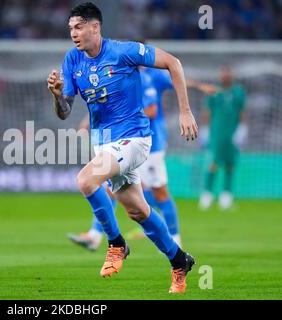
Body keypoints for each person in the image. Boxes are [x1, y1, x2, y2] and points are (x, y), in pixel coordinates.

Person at [47, 2, 198, 293]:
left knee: (86, 180)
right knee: (138, 211)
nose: (74, 34)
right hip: (103, 144)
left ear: (95, 27)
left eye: (79, 27)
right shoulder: (72, 60)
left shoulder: (123, 51)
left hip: (135, 139)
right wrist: (56, 95)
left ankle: (116, 244)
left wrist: (185, 110)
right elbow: (64, 111)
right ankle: (180, 260)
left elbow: (173, 63)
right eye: (70, 29)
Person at [68, 60, 217, 250]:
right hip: (125, 144)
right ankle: (95, 235)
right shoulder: (120, 79)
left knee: (159, 192)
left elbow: (154, 108)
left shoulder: (146, 78)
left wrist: (199, 86)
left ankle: (174, 240)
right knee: (112, 189)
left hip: (148, 144)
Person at [199, 66, 247, 210]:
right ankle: (206, 196)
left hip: (232, 133)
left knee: (230, 164)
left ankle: (226, 197)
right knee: (213, 163)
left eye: (228, 73)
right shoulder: (213, 91)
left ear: (232, 75)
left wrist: (243, 129)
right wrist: (205, 129)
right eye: (224, 73)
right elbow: (207, 111)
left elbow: (242, 111)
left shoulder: (238, 92)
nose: (226, 76)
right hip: (216, 133)